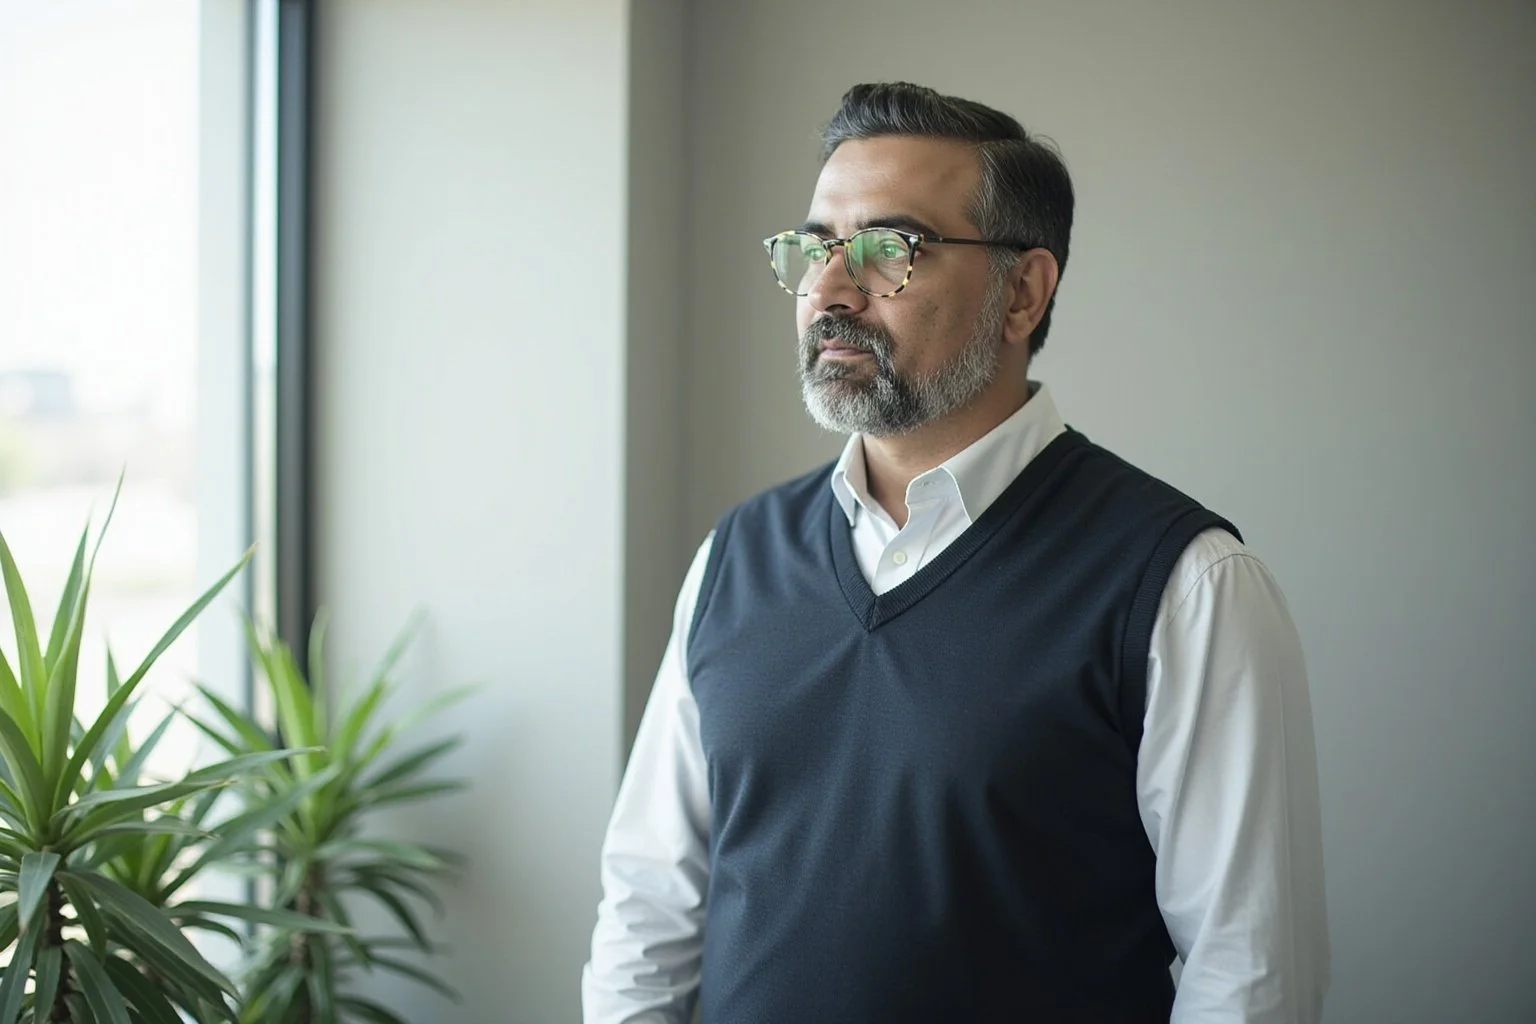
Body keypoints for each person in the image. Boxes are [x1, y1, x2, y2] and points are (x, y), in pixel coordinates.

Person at [582, 81, 1330, 1023]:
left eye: (888, 249)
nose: (831, 288)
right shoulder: (734, 559)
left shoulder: (1184, 584)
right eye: (814, 246)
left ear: (1023, 291)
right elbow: (648, 914)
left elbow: (1250, 979)